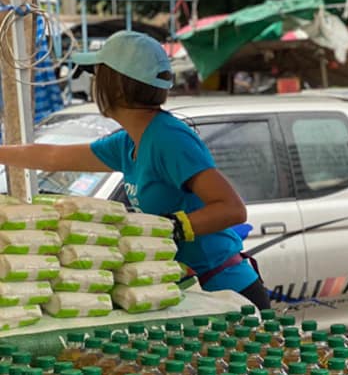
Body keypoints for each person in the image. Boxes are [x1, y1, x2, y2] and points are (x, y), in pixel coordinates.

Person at [0, 31, 271, 308]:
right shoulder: (128, 140)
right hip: (191, 291)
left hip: (227, 292)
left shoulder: (169, 138)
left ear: (116, 87)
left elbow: (231, 209)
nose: (93, 85)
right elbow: (53, 157)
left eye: (96, 76)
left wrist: (169, 227)